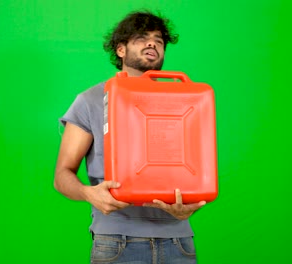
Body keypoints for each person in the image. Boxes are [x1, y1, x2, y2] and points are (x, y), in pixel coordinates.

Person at [54, 11, 206, 264]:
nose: (152, 43)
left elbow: (192, 167)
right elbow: (62, 175)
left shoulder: (182, 101)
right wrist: (89, 193)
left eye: (159, 40)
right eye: (142, 38)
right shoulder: (90, 100)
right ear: (121, 50)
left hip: (179, 241)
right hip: (117, 240)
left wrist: (191, 203)